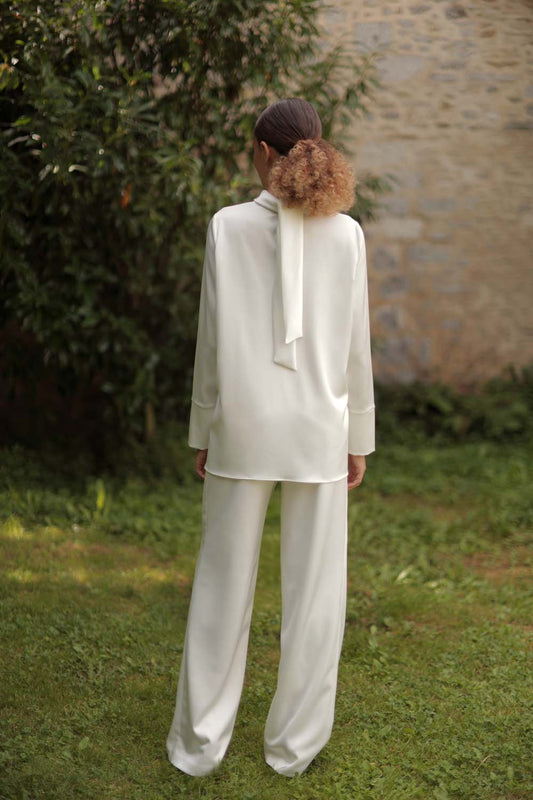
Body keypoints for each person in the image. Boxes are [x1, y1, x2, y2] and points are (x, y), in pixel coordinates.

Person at [166, 98, 375, 778]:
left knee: (221, 586)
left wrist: (204, 425)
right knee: (315, 594)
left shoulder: (226, 227)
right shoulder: (347, 235)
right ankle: (294, 748)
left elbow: (210, 341)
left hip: (243, 424)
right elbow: (356, 347)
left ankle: (198, 747)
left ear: (261, 151)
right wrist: (358, 436)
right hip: (318, 429)